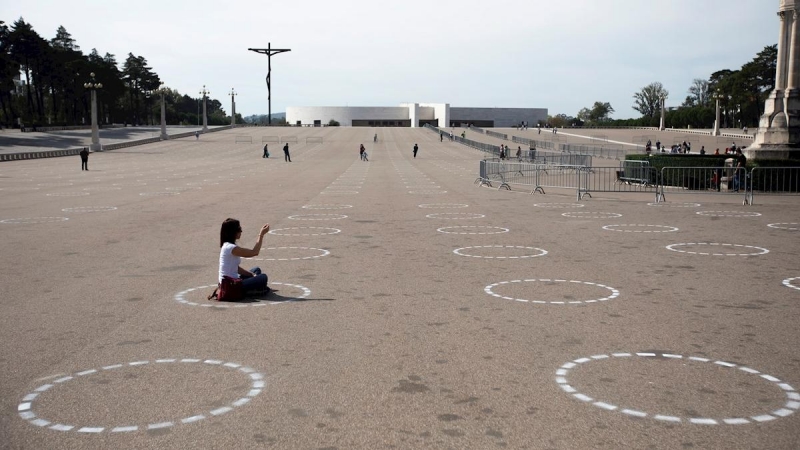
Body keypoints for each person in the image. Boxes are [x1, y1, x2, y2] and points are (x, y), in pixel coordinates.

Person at [218, 218, 270, 297]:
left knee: (256, 270)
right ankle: (250, 291)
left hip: (228, 282)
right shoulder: (231, 248)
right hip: (231, 285)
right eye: (239, 229)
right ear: (232, 232)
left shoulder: (227, 245)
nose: (241, 231)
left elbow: (236, 268)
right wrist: (261, 234)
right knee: (263, 277)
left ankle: (255, 288)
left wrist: (251, 274)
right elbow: (255, 252)